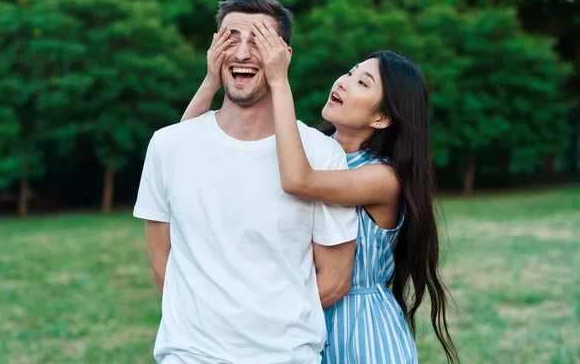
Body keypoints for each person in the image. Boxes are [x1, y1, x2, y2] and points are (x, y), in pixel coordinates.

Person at [183, 20, 459, 363]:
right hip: (300, 327)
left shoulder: (383, 177)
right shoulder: (309, 153)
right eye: (350, 72)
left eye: (362, 82)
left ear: (382, 118)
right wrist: (212, 81)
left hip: (361, 334)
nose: (344, 81)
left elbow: (298, 181)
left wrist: (279, 81)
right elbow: (183, 154)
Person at [133, 0, 359, 364]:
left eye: (259, 41)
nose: (241, 53)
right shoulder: (167, 145)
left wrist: (264, 327)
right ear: (213, 50)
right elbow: (163, 265)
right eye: (231, 39)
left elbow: (335, 279)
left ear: (283, 56)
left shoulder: (321, 153)